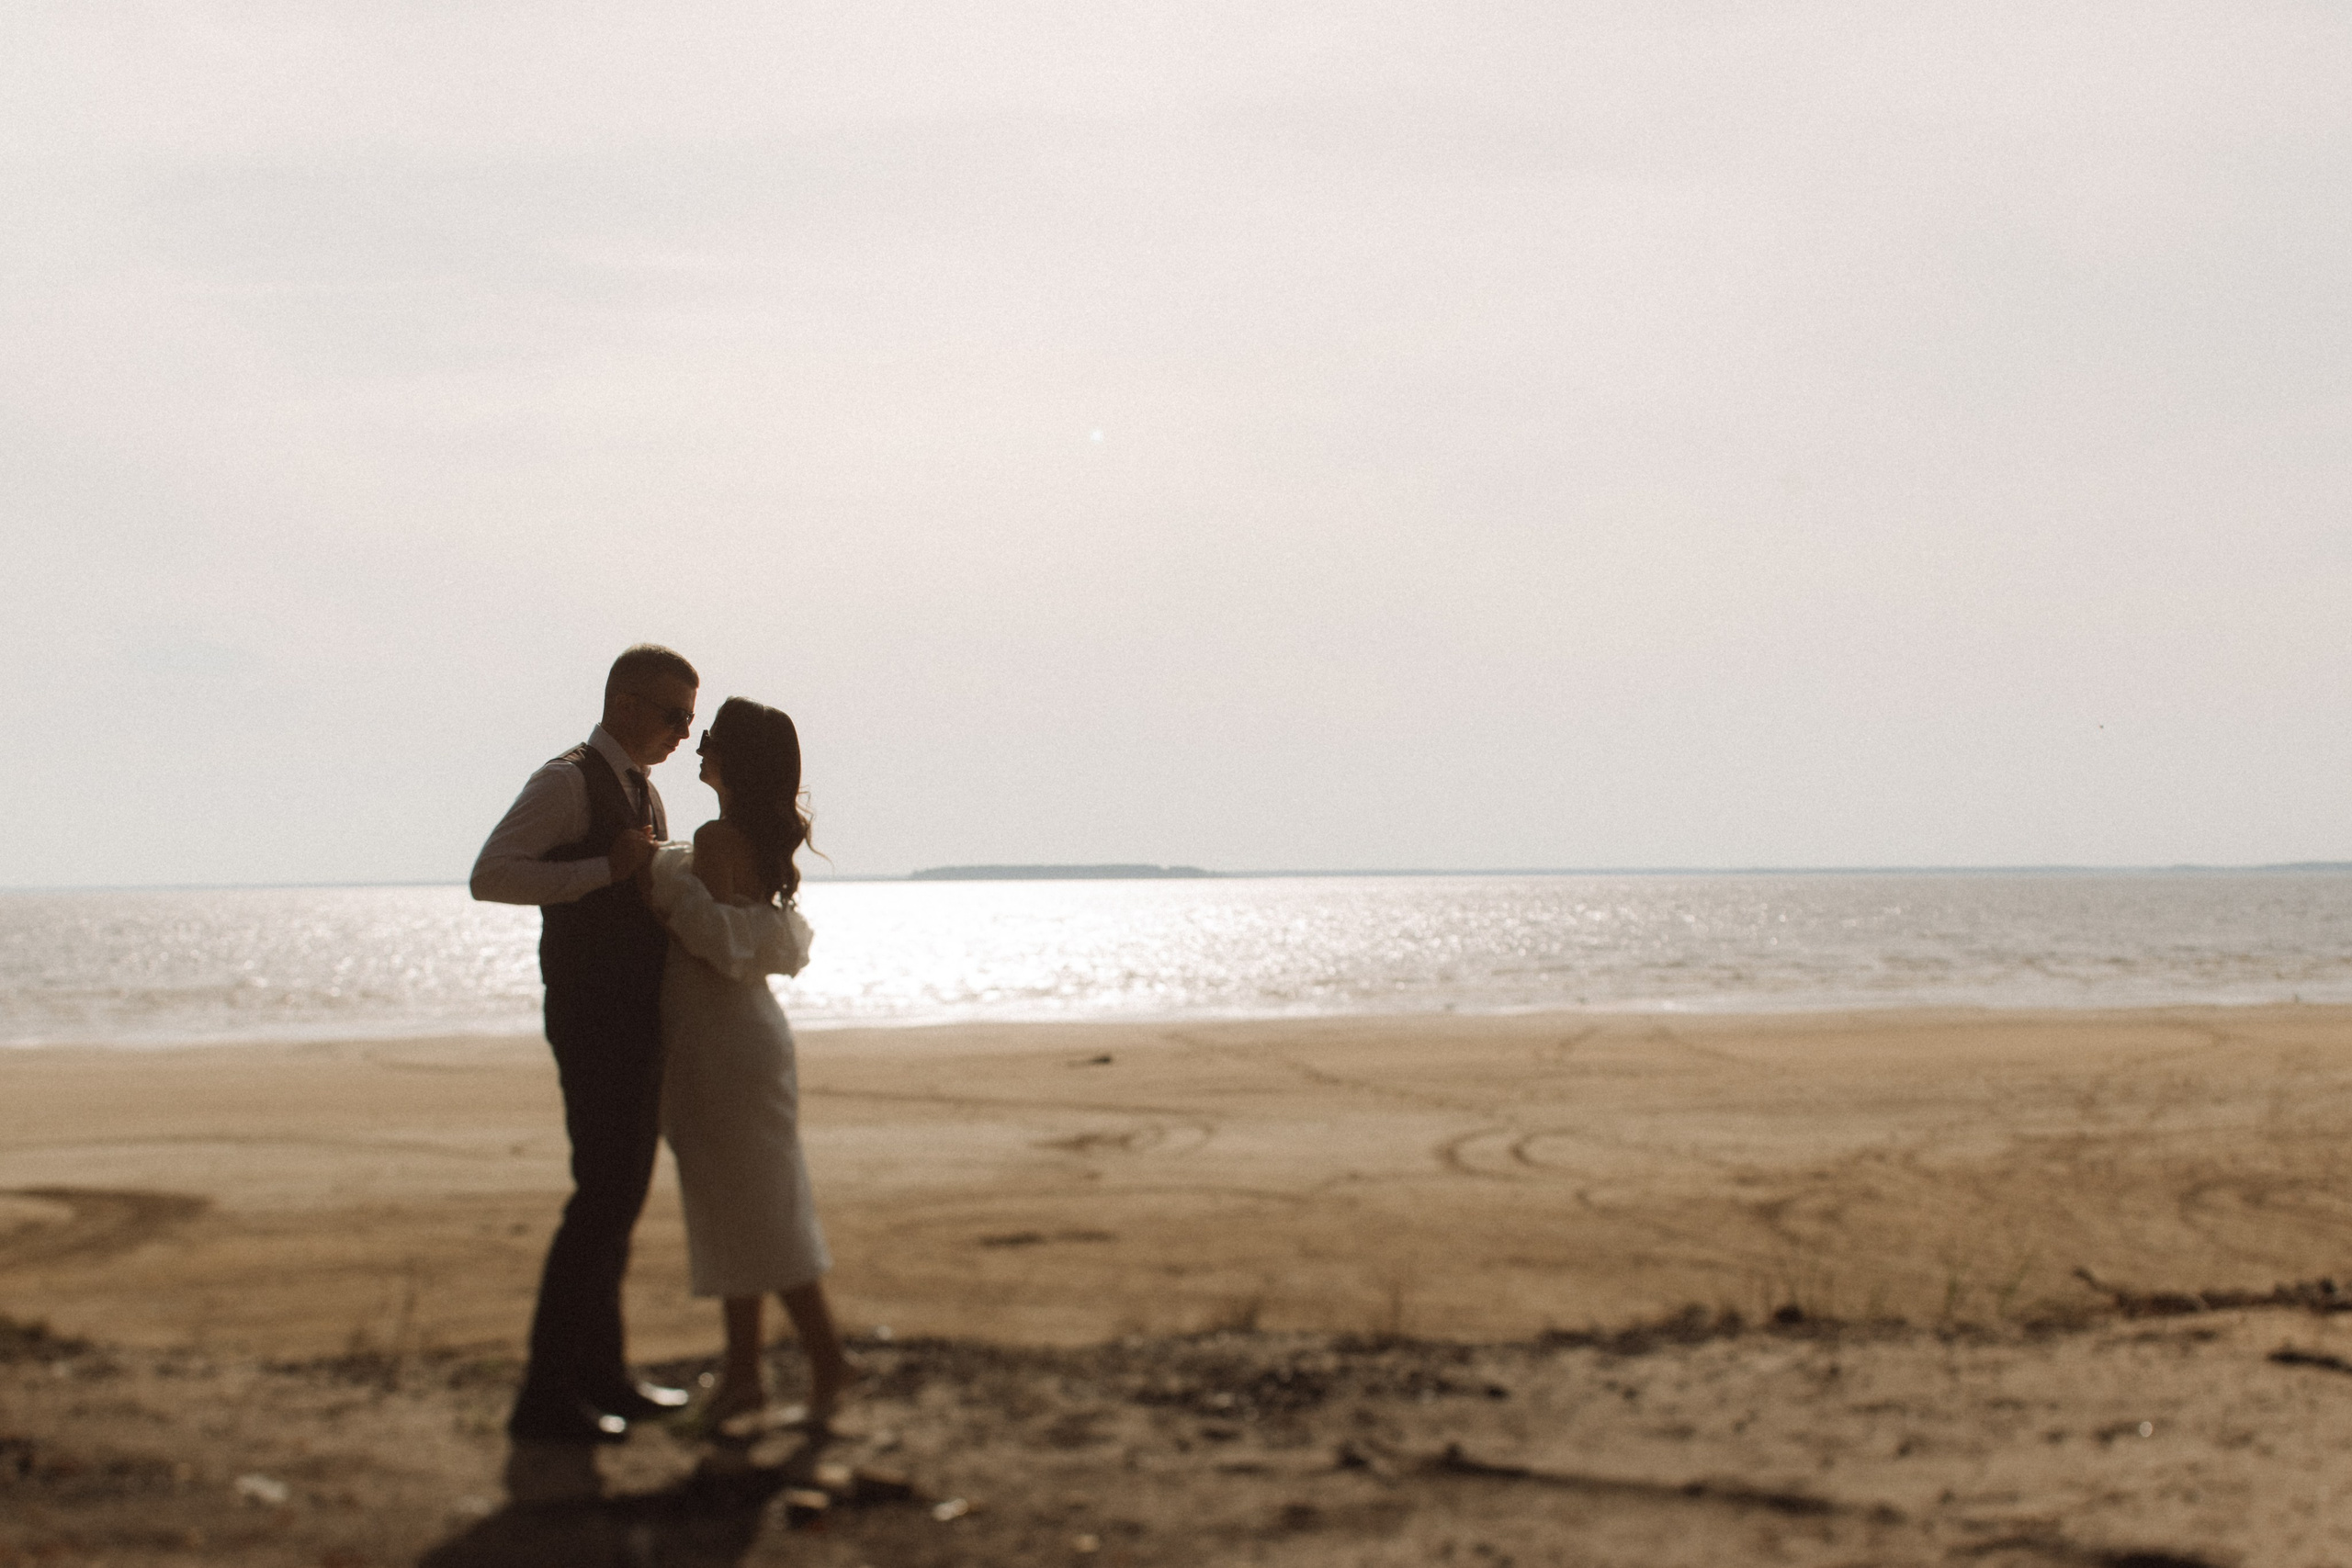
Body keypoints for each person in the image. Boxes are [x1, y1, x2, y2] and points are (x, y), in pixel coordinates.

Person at [470, 644, 699, 1444]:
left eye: (690, 718)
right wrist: (604, 868)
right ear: (626, 703)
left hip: (637, 1020)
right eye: (674, 714)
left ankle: (604, 1376)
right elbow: (492, 874)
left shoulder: (646, 791)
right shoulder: (565, 781)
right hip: (590, 1016)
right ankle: (545, 1395)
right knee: (599, 1200)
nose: (684, 731)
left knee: (621, 1199)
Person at [640, 696, 861, 1428]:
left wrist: (658, 884)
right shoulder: (744, 838)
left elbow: (722, 942)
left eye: (709, 739)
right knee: (742, 1207)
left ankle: (826, 1362)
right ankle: (744, 1376)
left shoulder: (717, 837)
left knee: (759, 1212)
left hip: (724, 1045)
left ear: (732, 758)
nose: (697, 747)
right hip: (737, 1040)